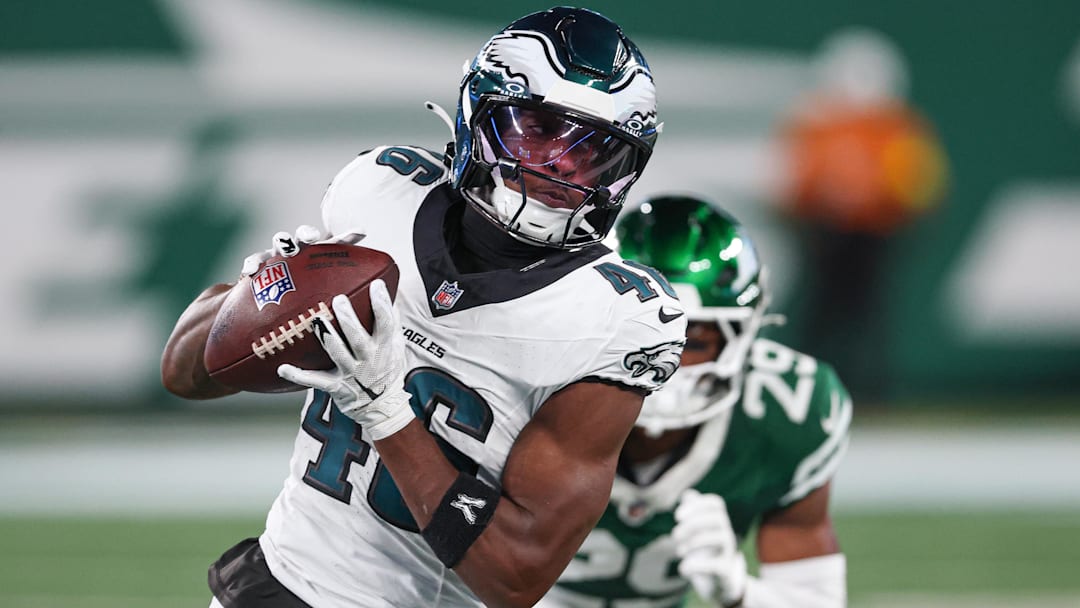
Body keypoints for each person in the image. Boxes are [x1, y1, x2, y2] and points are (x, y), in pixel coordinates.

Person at [160, 7, 685, 608]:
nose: (562, 163)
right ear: (479, 115)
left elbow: (516, 576)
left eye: (593, 151)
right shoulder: (380, 192)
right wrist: (268, 288)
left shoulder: (613, 317)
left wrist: (385, 412)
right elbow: (183, 373)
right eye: (538, 128)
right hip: (278, 583)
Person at [539, 195, 851, 608]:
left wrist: (739, 592)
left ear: (741, 338)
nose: (661, 362)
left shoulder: (788, 410)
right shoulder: (528, 387)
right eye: (636, 334)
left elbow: (815, 600)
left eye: (694, 341)